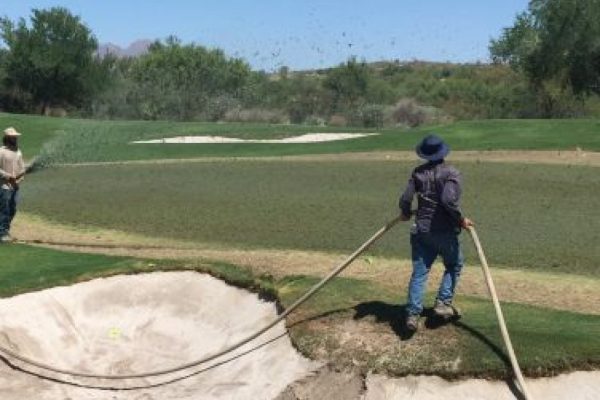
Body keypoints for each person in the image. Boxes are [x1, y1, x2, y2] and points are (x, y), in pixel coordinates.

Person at [399, 134, 474, 332]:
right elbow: (449, 200)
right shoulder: (452, 173)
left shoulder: (417, 173)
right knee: (454, 264)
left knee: (420, 273)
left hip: (421, 231)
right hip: (444, 232)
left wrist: (405, 213)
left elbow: (405, 198)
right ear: (443, 152)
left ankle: (413, 315)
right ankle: (442, 303)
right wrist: (460, 220)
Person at [0, 127, 26, 243]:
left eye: (16, 137)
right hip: (3, 186)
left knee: (12, 210)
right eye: (13, 137)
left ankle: (5, 231)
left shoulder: (18, 151)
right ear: (7, 138)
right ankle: (2, 234)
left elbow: (22, 168)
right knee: (4, 210)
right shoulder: (1, 151)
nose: (16, 139)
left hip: (15, 186)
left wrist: (20, 177)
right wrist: (8, 176)